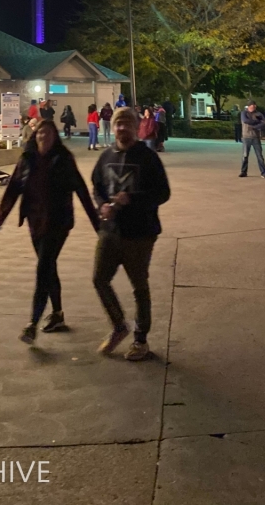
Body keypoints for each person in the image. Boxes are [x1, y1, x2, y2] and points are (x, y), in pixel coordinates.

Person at [0, 119, 98, 343]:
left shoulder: (64, 159)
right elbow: (13, 189)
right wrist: (0, 216)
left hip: (58, 223)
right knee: (48, 266)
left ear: (55, 136)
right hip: (35, 221)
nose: (44, 136)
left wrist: (97, 223)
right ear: (35, 134)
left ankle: (32, 322)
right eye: (41, 132)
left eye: (49, 133)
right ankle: (58, 314)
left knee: (43, 267)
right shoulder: (27, 159)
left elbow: (81, 190)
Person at [91, 106, 171, 362]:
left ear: (136, 128)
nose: (122, 128)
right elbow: (97, 186)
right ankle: (118, 326)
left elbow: (163, 193)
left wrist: (133, 199)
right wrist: (102, 204)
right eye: (118, 124)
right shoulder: (105, 156)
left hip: (140, 233)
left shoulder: (147, 157)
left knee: (139, 286)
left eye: (127, 124)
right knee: (99, 279)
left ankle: (140, 339)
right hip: (110, 231)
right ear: (113, 128)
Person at [238, 101, 265, 178]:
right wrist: (256, 121)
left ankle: (263, 172)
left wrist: (255, 126)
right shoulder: (244, 113)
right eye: (251, 106)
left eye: (254, 106)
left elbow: (263, 122)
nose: (253, 108)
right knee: (245, 155)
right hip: (246, 136)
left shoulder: (258, 114)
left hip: (256, 137)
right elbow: (245, 120)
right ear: (248, 106)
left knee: (259, 155)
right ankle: (243, 171)